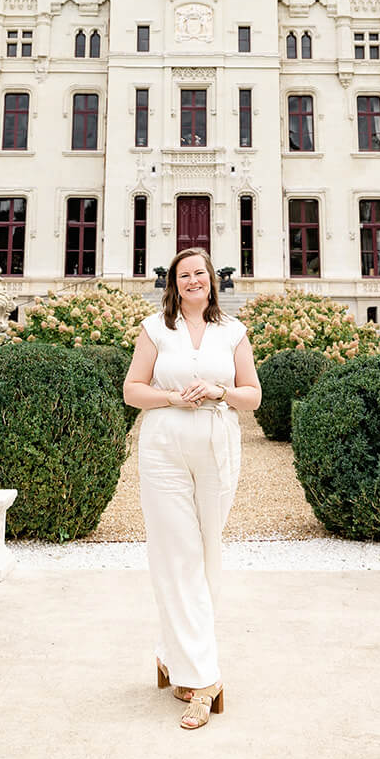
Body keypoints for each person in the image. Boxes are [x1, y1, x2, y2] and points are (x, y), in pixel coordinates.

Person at [123, 246, 261, 731]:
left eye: (200, 273)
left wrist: (220, 392)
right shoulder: (155, 328)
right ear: (173, 283)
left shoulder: (232, 332)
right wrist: (171, 398)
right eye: (184, 275)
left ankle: (170, 653)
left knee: (205, 554)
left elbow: (253, 395)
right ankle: (204, 680)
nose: (193, 280)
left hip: (219, 446)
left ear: (211, 280)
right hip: (163, 449)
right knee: (176, 553)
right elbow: (132, 389)